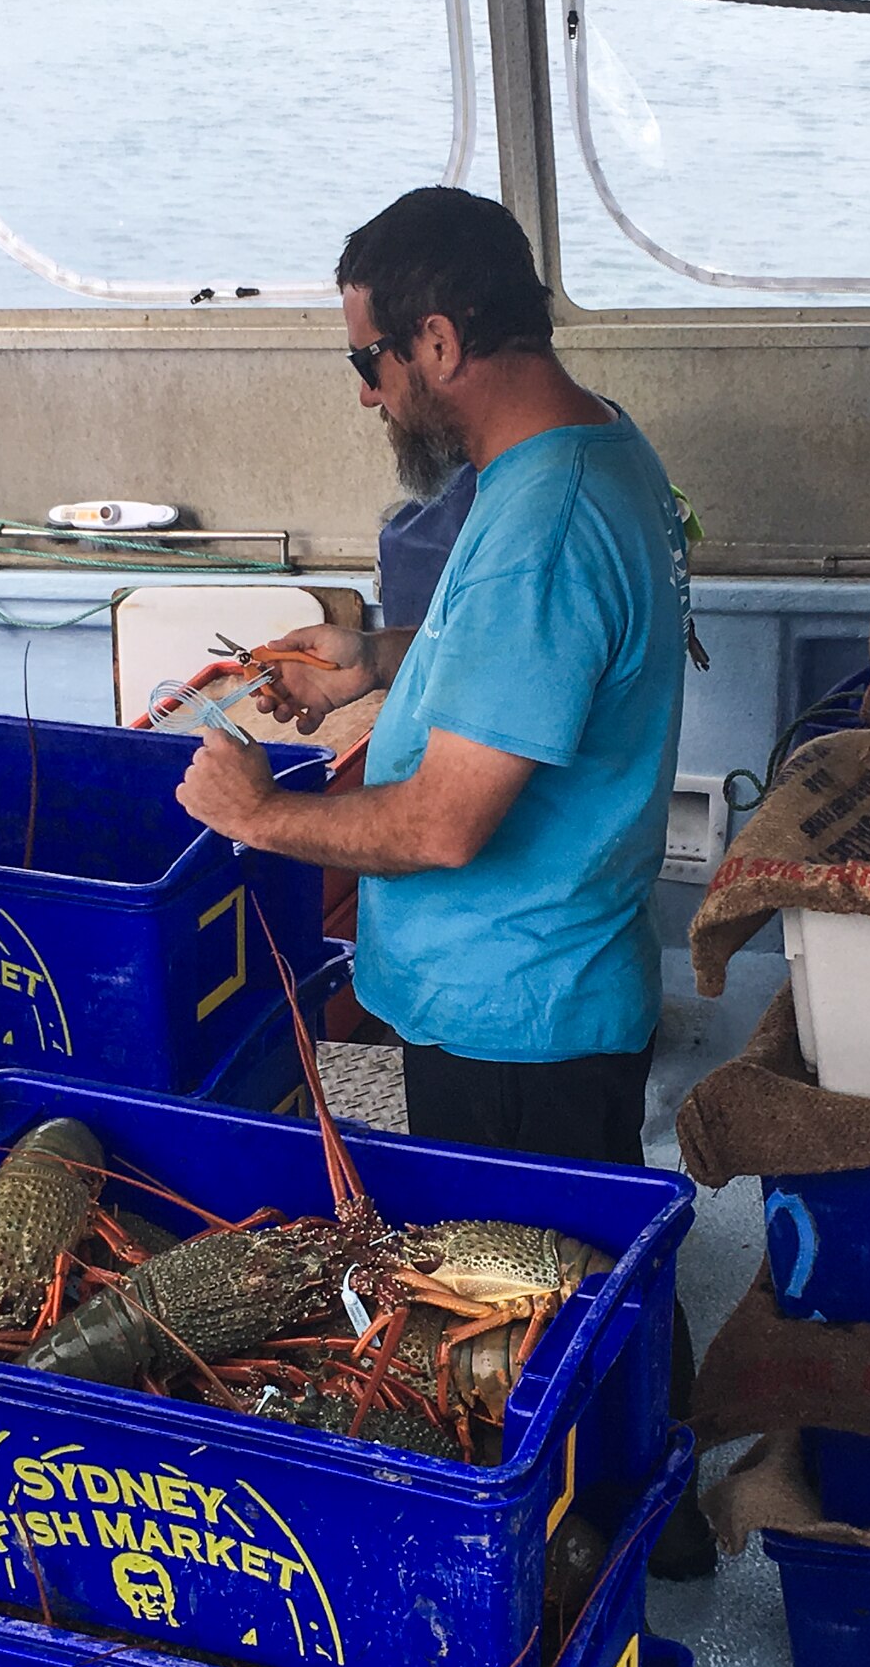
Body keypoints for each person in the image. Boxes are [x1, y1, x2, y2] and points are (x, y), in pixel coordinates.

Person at [173, 187, 712, 1571]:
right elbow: (511, 661)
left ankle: (599, 1547)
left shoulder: (545, 523)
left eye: (369, 363)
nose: (369, 398)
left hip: (507, 1016)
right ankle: (660, 1503)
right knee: (590, 1271)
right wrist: (371, 665)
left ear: (437, 340)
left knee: (527, 1311)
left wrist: (257, 816)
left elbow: (445, 826)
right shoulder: (572, 455)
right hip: (528, 993)